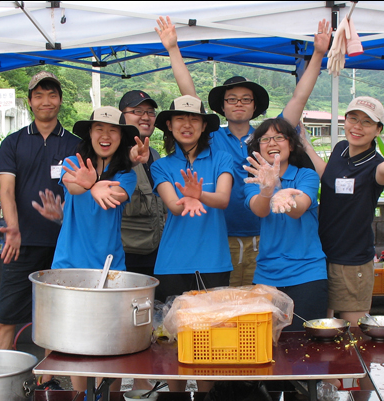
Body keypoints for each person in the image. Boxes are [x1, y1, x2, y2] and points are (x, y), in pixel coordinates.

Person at [155, 16, 331, 286]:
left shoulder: (267, 140)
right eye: (231, 99)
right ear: (221, 107)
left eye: (246, 99)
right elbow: (188, 97)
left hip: (263, 237)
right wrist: (173, 49)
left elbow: (299, 99)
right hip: (220, 239)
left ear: (255, 107)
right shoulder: (213, 138)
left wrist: (318, 53)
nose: (239, 104)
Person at [300, 96, 384, 327]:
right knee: (324, 326)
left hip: (352, 262)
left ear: (378, 130)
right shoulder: (340, 149)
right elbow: (328, 177)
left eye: (367, 122)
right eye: (353, 118)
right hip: (321, 254)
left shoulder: (375, 165)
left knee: (354, 331)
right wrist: (306, 145)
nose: (357, 127)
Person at [0, 72, 80, 392]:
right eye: (39, 95)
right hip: (22, 243)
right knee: (6, 318)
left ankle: (46, 381)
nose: (46, 101)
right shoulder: (13, 142)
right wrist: (12, 229)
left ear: (60, 100)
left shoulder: (75, 144)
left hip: (63, 245)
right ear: (30, 102)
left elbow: (82, 194)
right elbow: (6, 190)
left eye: (52, 95)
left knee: (54, 320)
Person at [55, 106, 142, 392]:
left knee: (111, 342)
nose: (105, 135)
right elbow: (73, 185)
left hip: (110, 269)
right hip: (70, 266)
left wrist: (95, 185)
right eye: (99, 129)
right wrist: (91, 185)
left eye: (113, 130)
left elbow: (116, 196)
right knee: (76, 345)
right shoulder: (72, 161)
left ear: (121, 137)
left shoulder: (127, 174)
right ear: (90, 133)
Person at [244, 117, 328, 330]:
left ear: (291, 144)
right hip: (266, 274)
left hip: (307, 272)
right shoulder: (254, 179)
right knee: (266, 343)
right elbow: (259, 209)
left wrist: (285, 197)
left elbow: (298, 209)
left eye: (279, 137)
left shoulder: (306, 175)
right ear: (258, 148)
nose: (272, 143)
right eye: (265, 139)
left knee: (305, 344)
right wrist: (267, 190)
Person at [151, 95, 234, 303]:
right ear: (169, 125)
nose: (187, 125)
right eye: (180, 119)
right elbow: (173, 206)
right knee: (170, 331)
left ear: (204, 125)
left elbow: (223, 199)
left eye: (194, 119)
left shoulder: (222, 159)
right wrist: (185, 200)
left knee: (213, 327)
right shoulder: (160, 166)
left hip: (214, 262)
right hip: (172, 264)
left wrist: (199, 195)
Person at [119, 90, 167, 277]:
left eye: (150, 112)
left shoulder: (154, 155)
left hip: (155, 252)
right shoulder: (114, 153)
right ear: (122, 116)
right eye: (137, 111)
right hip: (125, 256)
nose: (145, 117)